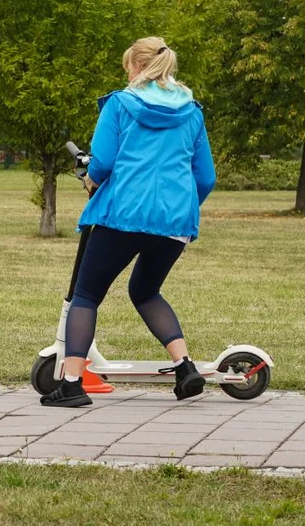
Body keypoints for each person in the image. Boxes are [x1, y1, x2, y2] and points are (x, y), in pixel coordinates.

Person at [41, 36, 217, 408]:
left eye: (128, 68)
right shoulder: (193, 112)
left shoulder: (120, 104)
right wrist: (181, 208)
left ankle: (72, 384)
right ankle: (185, 367)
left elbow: (102, 164)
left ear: (137, 68)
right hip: (174, 223)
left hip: (122, 215)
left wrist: (91, 178)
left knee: (86, 295)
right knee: (146, 291)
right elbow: (205, 178)